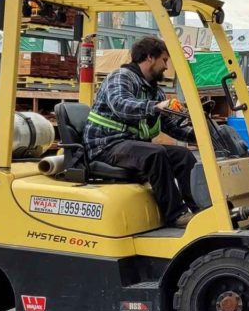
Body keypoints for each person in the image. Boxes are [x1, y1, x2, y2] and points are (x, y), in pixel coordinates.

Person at [84, 37, 199, 227]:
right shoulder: (120, 77)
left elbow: (169, 126)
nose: (166, 66)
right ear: (149, 58)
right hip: (106, 146)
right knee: (155, 153)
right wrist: (155, 107)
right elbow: (121, 105)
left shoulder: (154, 91)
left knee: (183, 155)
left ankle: (200, 209)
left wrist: (199, 135)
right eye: (164, 60)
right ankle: (176, 215)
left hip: (130, 146)